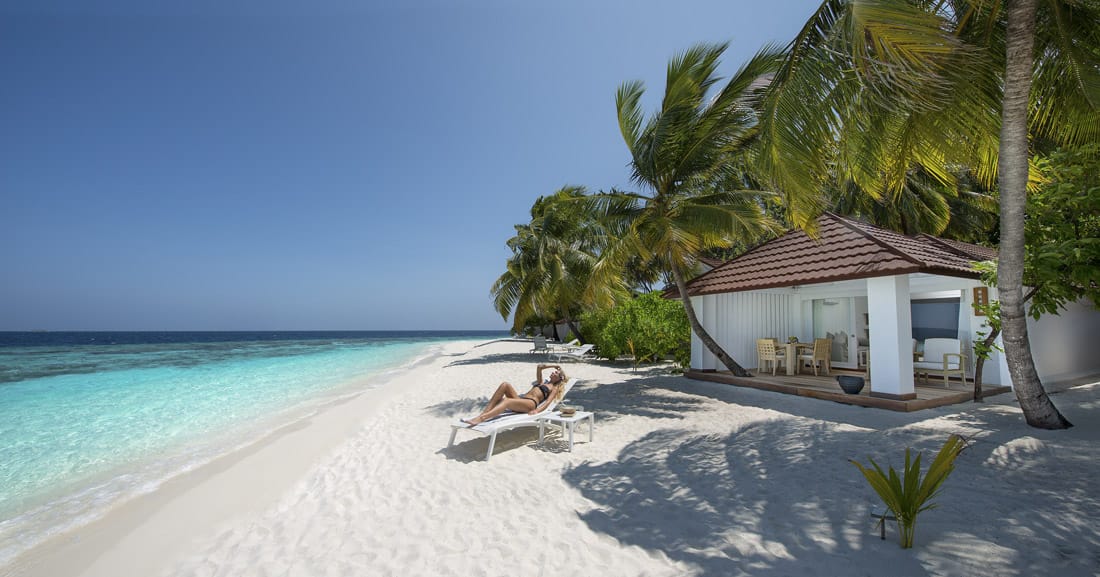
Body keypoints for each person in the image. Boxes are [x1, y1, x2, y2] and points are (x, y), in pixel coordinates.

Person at [462, 364, 567, 426]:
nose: (553, 373)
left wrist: (537, 411)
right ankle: (483, 414)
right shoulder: (542, 382)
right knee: (505, 385)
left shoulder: (554, 388)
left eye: (556, 373)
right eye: (553, 372)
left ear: (559, 378)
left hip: (530, 404)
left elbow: (548, 402)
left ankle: (482, 418)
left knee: (506, 401)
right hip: (522, 400)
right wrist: (554, 366)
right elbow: (539, 367)